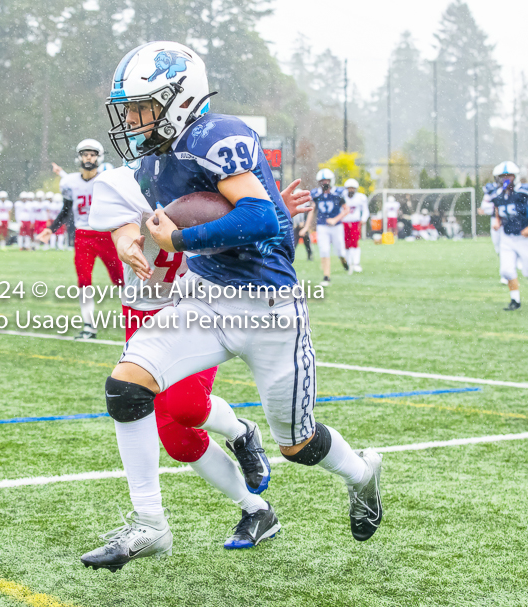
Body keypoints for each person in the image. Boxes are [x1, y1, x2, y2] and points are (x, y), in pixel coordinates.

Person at [80, 41, 382, 571]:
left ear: (178, 100)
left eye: (141, 106)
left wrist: (178, 242)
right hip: (203, 298)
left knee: (299, 445)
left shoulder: (218, 134)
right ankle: (151, 523)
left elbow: (261, 219)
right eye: (127, 108)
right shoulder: (154, 160)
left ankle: (362, 474)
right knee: (127, 388)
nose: (130, 118)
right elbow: (125, 203)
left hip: (268, 308)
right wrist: (131, 233)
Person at [90, 165, 279, 551]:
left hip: (196, 306)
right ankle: (257, 509)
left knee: (188, 407)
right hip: (141, 312)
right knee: (176, 439)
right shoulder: (121, 179)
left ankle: (241, 432)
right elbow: (124, 227)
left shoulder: (211, 169)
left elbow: (251, 221)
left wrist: (284, 217)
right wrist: (128, 244)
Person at [39, 139, 125, 340]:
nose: (89, 157)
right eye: (85, 154)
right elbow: (67, 209)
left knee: (120, 278)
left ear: (99, 157)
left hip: (105, 234)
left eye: (92, 154)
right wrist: (51, 229)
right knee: (84, 281)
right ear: (79, 156)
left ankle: (132, 318)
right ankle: (89, 326)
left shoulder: (106, 179)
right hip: (83, 236)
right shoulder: (70, 183)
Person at [490, 161, 528, 310]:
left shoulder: (524, 192)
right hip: (507, 237)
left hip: (524, 238)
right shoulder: (498, 195)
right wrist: (497, 222)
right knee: (506, 270)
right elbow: (499, 212)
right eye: (501, 177)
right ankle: (515, 301)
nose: (504, 179)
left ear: (514, 177)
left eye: (507, 176)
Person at [306, 168, 349, 285]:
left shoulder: (338, 193)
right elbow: (312, 210)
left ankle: (344, 262)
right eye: (322, 181)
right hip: (322, 226)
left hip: (336, 226)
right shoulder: (316, 194)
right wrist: (306, 227)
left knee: (340, 251)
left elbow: (347, 210)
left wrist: (335, 219)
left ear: (331, 181)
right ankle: (326, 276)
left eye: (327, 180)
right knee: (324, 250)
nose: (325, 183)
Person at [341, 179, 368, 273]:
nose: (351, 190)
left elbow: (365, 210)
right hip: (344, 222)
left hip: (355, 222)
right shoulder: (342, 197)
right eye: (349, 188)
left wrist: (363, 219)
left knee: (355, 243)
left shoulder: (360, 198)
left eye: (353, 188)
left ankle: (356, 263)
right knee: (346, 243)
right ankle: (348, 263)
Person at [290, 188, 312, 261]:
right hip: (296, 226)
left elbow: (308, 214)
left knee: (307, 242)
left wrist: (305, 225)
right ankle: (290, 255)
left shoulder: (306, 204)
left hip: (303, 226)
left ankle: (310, 254)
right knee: (294, 242)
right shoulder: (293, 203)